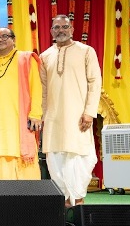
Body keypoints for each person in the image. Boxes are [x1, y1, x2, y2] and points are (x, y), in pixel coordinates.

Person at [39, 15, 101, 208]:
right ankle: (65, 202)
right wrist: (41, 116)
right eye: (56, 27)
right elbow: (42, 89)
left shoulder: (86, 51)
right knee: (55, 159)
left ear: (72, 29)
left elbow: (95, 82)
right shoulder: (45, 56)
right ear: (51, 31)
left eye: (65, 27)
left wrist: (89, 112)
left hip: (78, 116)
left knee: (80, 157)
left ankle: (78, 199)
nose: (60, 30)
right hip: (52, 118)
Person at [0, 27, 42, 180]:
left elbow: (36, 87)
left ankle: (29, 199)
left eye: (4, 36)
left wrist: (35, 114)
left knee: (23, 160)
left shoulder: (25, 59)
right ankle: (3, 200)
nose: (0, 39)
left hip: (20, 121)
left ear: (14, 40)